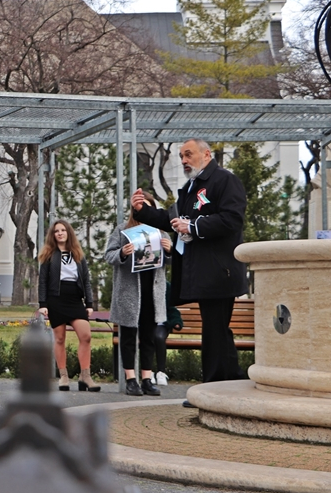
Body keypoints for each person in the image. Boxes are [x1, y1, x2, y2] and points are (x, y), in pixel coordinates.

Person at [132, 138, 248, 405]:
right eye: (181, 156)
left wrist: (193, 227)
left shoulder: (224, 181)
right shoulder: (191, 187)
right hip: (202, 273)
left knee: (214, 331)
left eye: (188, 154)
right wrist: (144, 212)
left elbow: (232, 219)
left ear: (206, 154)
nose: (183, 160)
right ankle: (229, 383)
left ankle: (212, 392)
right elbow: (174, 221)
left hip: (220, 272)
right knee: (218, 329)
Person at [105, 192, 171, 396]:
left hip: (152, 292)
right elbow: (108, 255)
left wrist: (169, 251)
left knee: (148, 337)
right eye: (142, 207)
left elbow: (173, 259)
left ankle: (146, 378)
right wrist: (123, 253)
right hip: (129, 293)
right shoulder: (123, 231)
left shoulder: (161, 233)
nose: (145, 212)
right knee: (128, 337)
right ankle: (130, 379)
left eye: (150, 208)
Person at [38, 220, 100, 393]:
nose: (60, 233)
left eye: (63, 230)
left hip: (75, 299)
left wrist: (89, 303)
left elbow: (86, 280)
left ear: (68, 233)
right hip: (56, 299)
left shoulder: (78, 254)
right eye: (56, 231)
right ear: (53, 235)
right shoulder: (48, 255)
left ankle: (85, 376)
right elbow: (42, 281)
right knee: (59, 338)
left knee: (85, 335)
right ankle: (63, 376)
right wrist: (43, 304)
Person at [153, 282, 184, 385]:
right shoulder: (143, 284)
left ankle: (161, 372)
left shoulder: (166, 286)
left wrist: (176, 321)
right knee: (147, 337)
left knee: (158, 337)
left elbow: (171, 308)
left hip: (162, 323)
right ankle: (149, 372)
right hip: (146, 323)